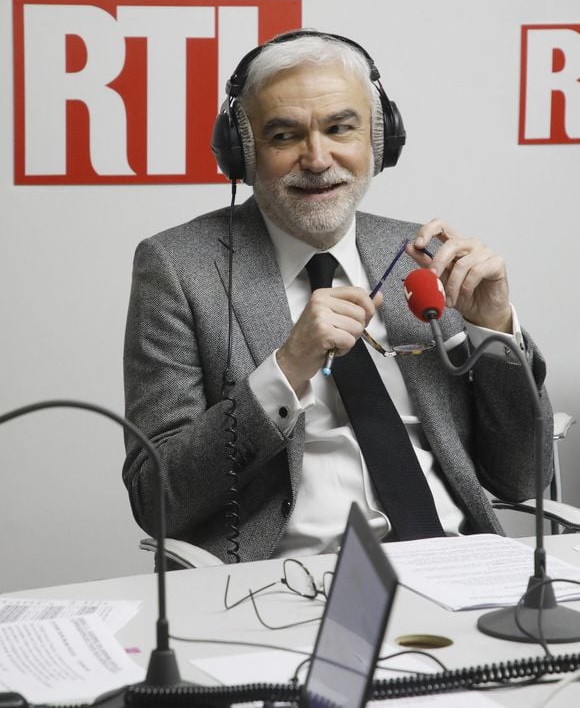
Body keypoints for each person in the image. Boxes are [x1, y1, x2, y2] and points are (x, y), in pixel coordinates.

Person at [122, 30, 553, 563]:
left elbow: (524, 476)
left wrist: (495, 331)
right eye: (284, 136)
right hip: (289, 585)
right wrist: (285, 369)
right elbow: (156, 497)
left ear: (378, 140)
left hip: (457, 565)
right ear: (244, 152)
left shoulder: (420, 255)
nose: (318, 158)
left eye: (339, 128)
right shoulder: (180, 268)